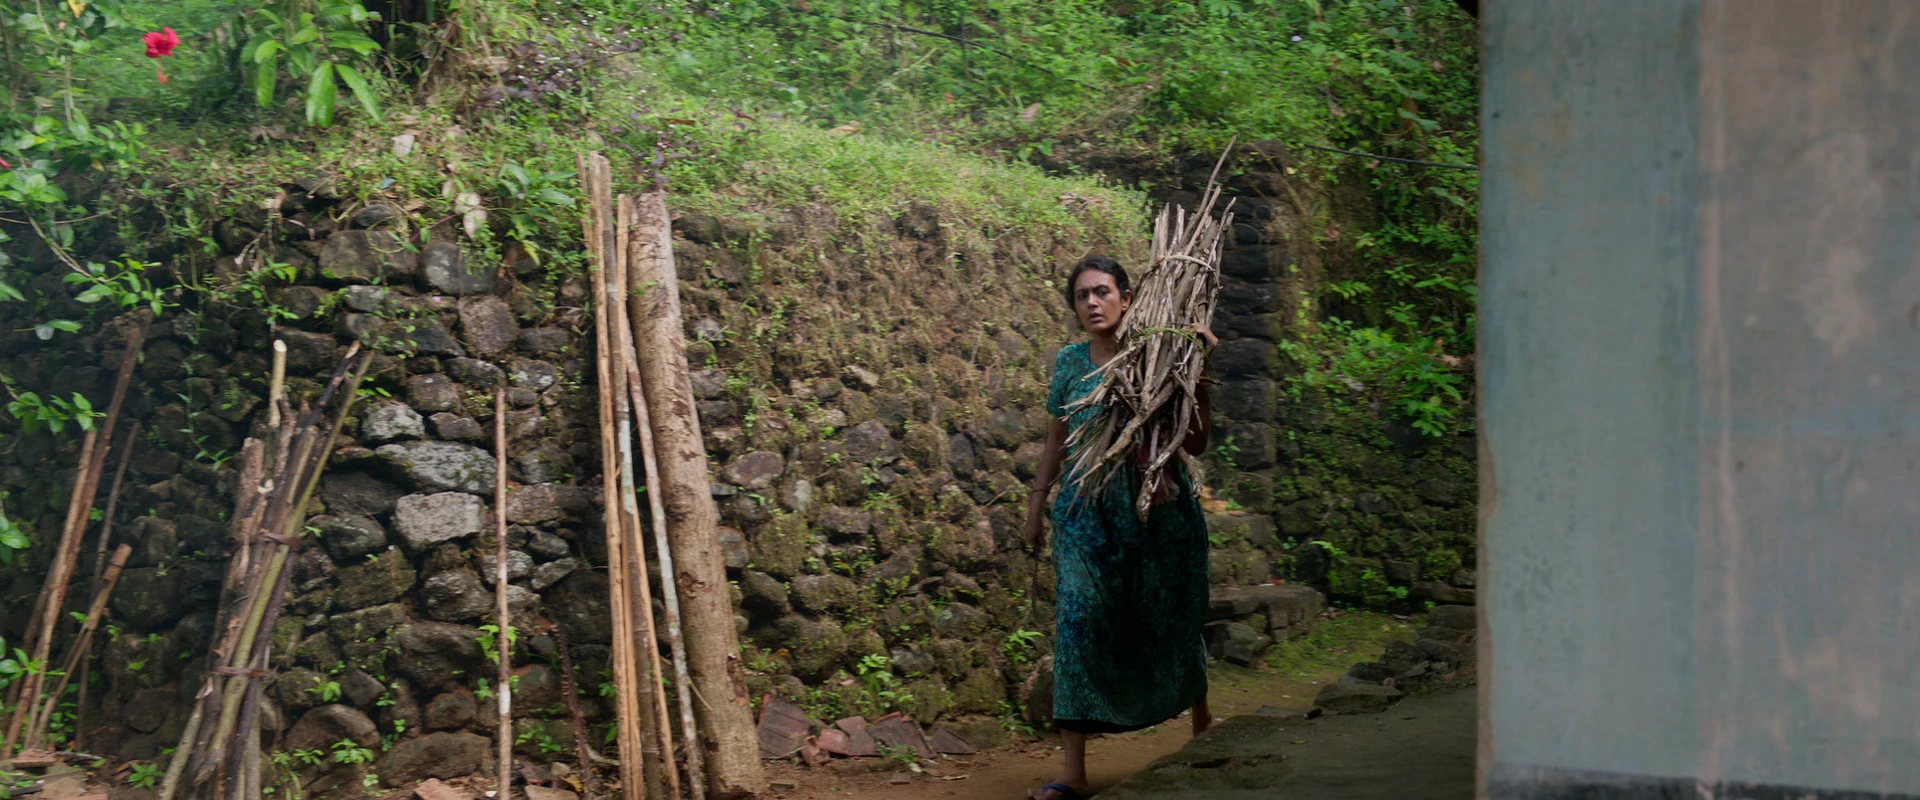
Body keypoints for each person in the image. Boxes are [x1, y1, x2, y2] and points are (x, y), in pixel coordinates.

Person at [1022, 255, 1218, 800]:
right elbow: (1058, 439)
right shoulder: (1069, 363)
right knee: (1076, 621)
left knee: (1174, 613)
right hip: (1085, 514)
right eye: (1082, 295)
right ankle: (1073, 771)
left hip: (1157, 512)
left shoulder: (1159, 353)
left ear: (1127, 298)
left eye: (1102, 291)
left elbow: (1196, 442)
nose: (1092, 302)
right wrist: (1037, 504)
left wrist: (1199, 372)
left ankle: (1201, 721)